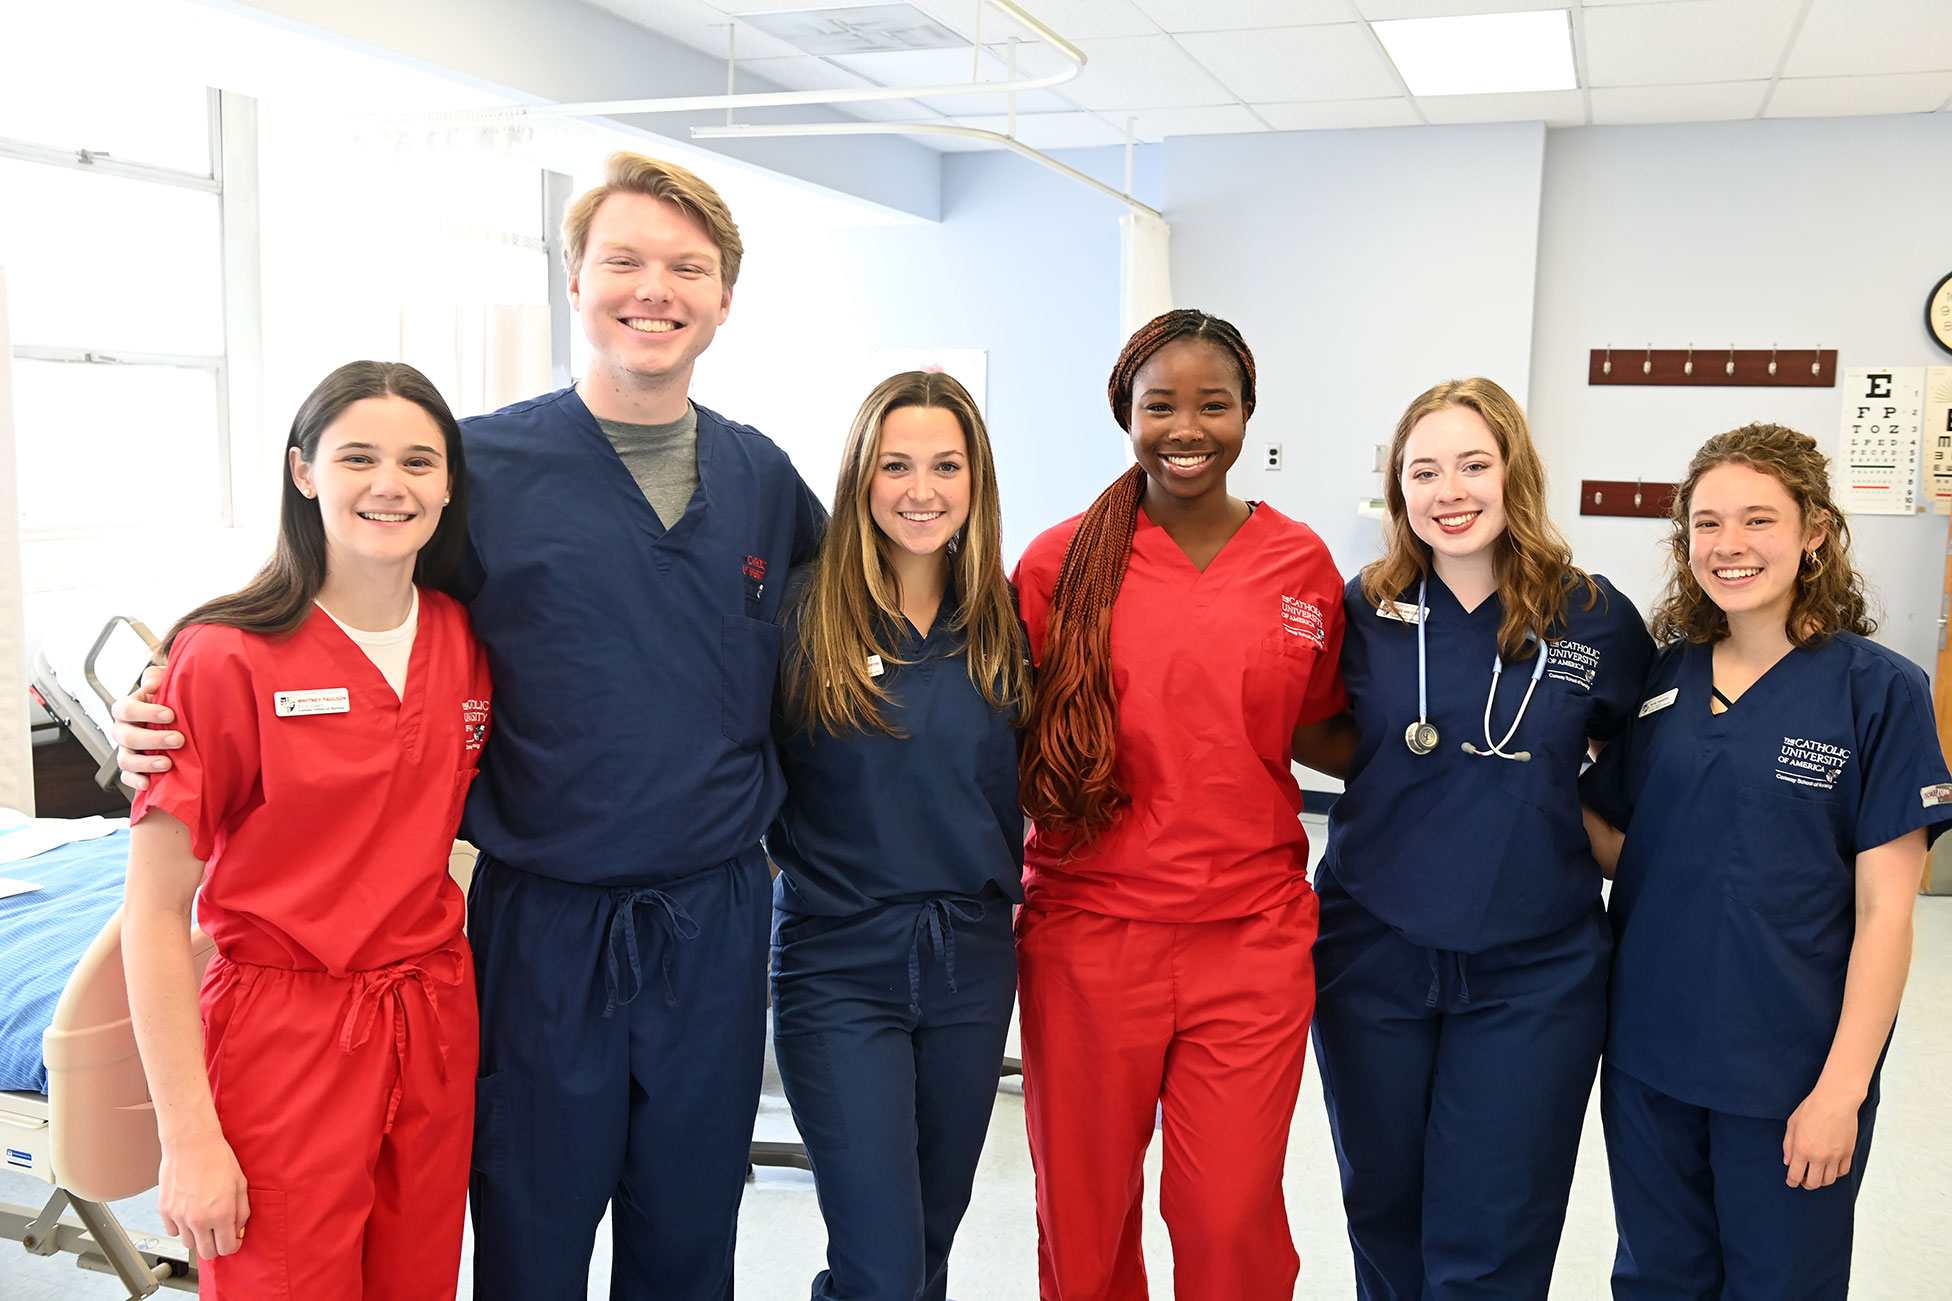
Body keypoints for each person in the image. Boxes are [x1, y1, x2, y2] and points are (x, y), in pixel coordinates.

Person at [114, 152, 826, 1300]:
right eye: (624, 261)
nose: (655, 289)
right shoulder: (478, 463)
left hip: (713, 912)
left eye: (686, 267)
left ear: (724, 298)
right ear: (575, 280)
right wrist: (167, 675)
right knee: (529, 1223)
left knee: (694, 1225)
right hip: (544, 917)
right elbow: (339, 582)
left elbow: (848, 627)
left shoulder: (760, 477)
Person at [122, 361, 488, 1300]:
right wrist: (188, 1134)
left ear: (450, 484)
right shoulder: (222, 656)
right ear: (303, 471)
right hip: (285, 1038)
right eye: (356, 456)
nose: (388, 484)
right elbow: (156, 914)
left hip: (433, 1019)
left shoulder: (465, 639)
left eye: (418, 460)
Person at [1012, 309, 1351, 1301]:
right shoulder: (1055, 563)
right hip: (1088, 930)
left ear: (1247, 413)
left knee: (1226, 1210)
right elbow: (993, 728)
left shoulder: (1300, 567)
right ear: (1125, 410)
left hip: (1247, 934)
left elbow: (1324, 726)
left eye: (1213, 403)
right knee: (1082, 1213)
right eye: (1159, 404)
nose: (1186, 427)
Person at [1582, 423, 1949, 1299]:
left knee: (1780, 1282)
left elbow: (1888, 913)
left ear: (1814, 530)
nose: (1729, 546)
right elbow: (1630, 847)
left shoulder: (1878, 689)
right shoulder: (1664, 682)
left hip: (1789, 1068)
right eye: (1706, 524)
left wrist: (1842, 1092)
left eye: (1757, 520)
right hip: (1649, 1056)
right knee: (1657, 1276)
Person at [1308, 378, 1653, 1298]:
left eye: (1473, 464)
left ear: (1515, 473)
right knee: (1383, 1203)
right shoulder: (1364, 609)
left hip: (1532, 966)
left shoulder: (1595, 615)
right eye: (1423, 470)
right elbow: (1317, 729)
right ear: (1397, 488)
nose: (1449, 490)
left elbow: (1642, 762)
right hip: (1373, 949)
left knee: (1497, 1219)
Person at [768, 370, 1030, 1301]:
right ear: (860, 478)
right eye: (897, 465)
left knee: (928, 1237)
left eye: (946, 466)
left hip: (969, 957)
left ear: (976, 481)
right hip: (838, 960)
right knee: (879, 1259)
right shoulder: (801, 614)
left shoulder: (1003, 618)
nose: (922, 490)